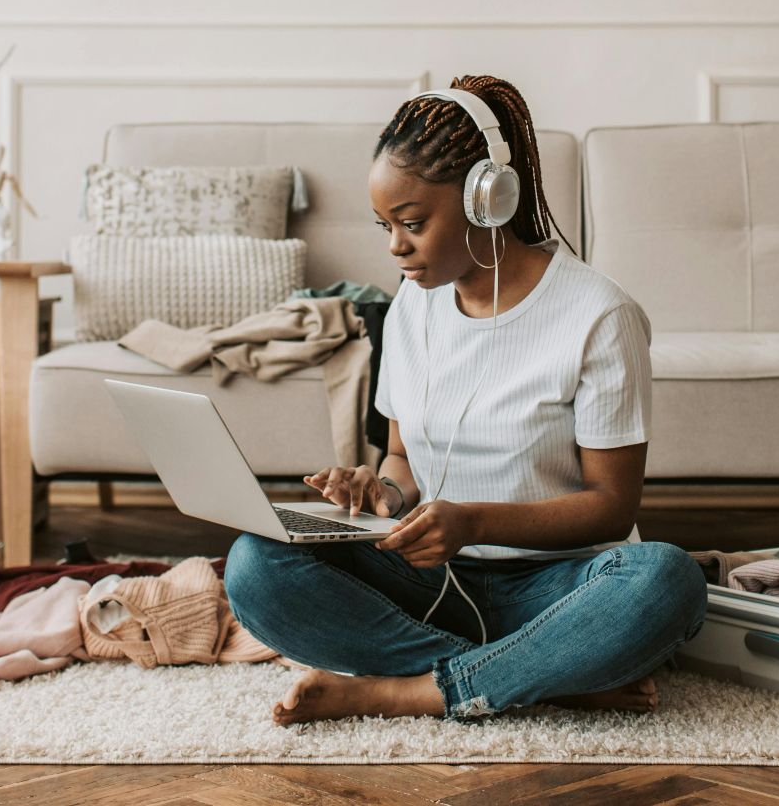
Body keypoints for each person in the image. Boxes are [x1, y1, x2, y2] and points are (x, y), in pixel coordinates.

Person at [224, 74, 707, 725]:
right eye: (386, 225)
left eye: (414, 223)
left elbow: (611, 509)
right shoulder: (409, 309)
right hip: (432, 585)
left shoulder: (598, 314)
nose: (395, 246)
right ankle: (537, 675)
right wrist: (380, 495)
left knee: (665, 583)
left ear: (488, 199)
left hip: (557, 589)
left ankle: (408, 691)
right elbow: (402, 459)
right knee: (256, 563)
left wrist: (472, 523)